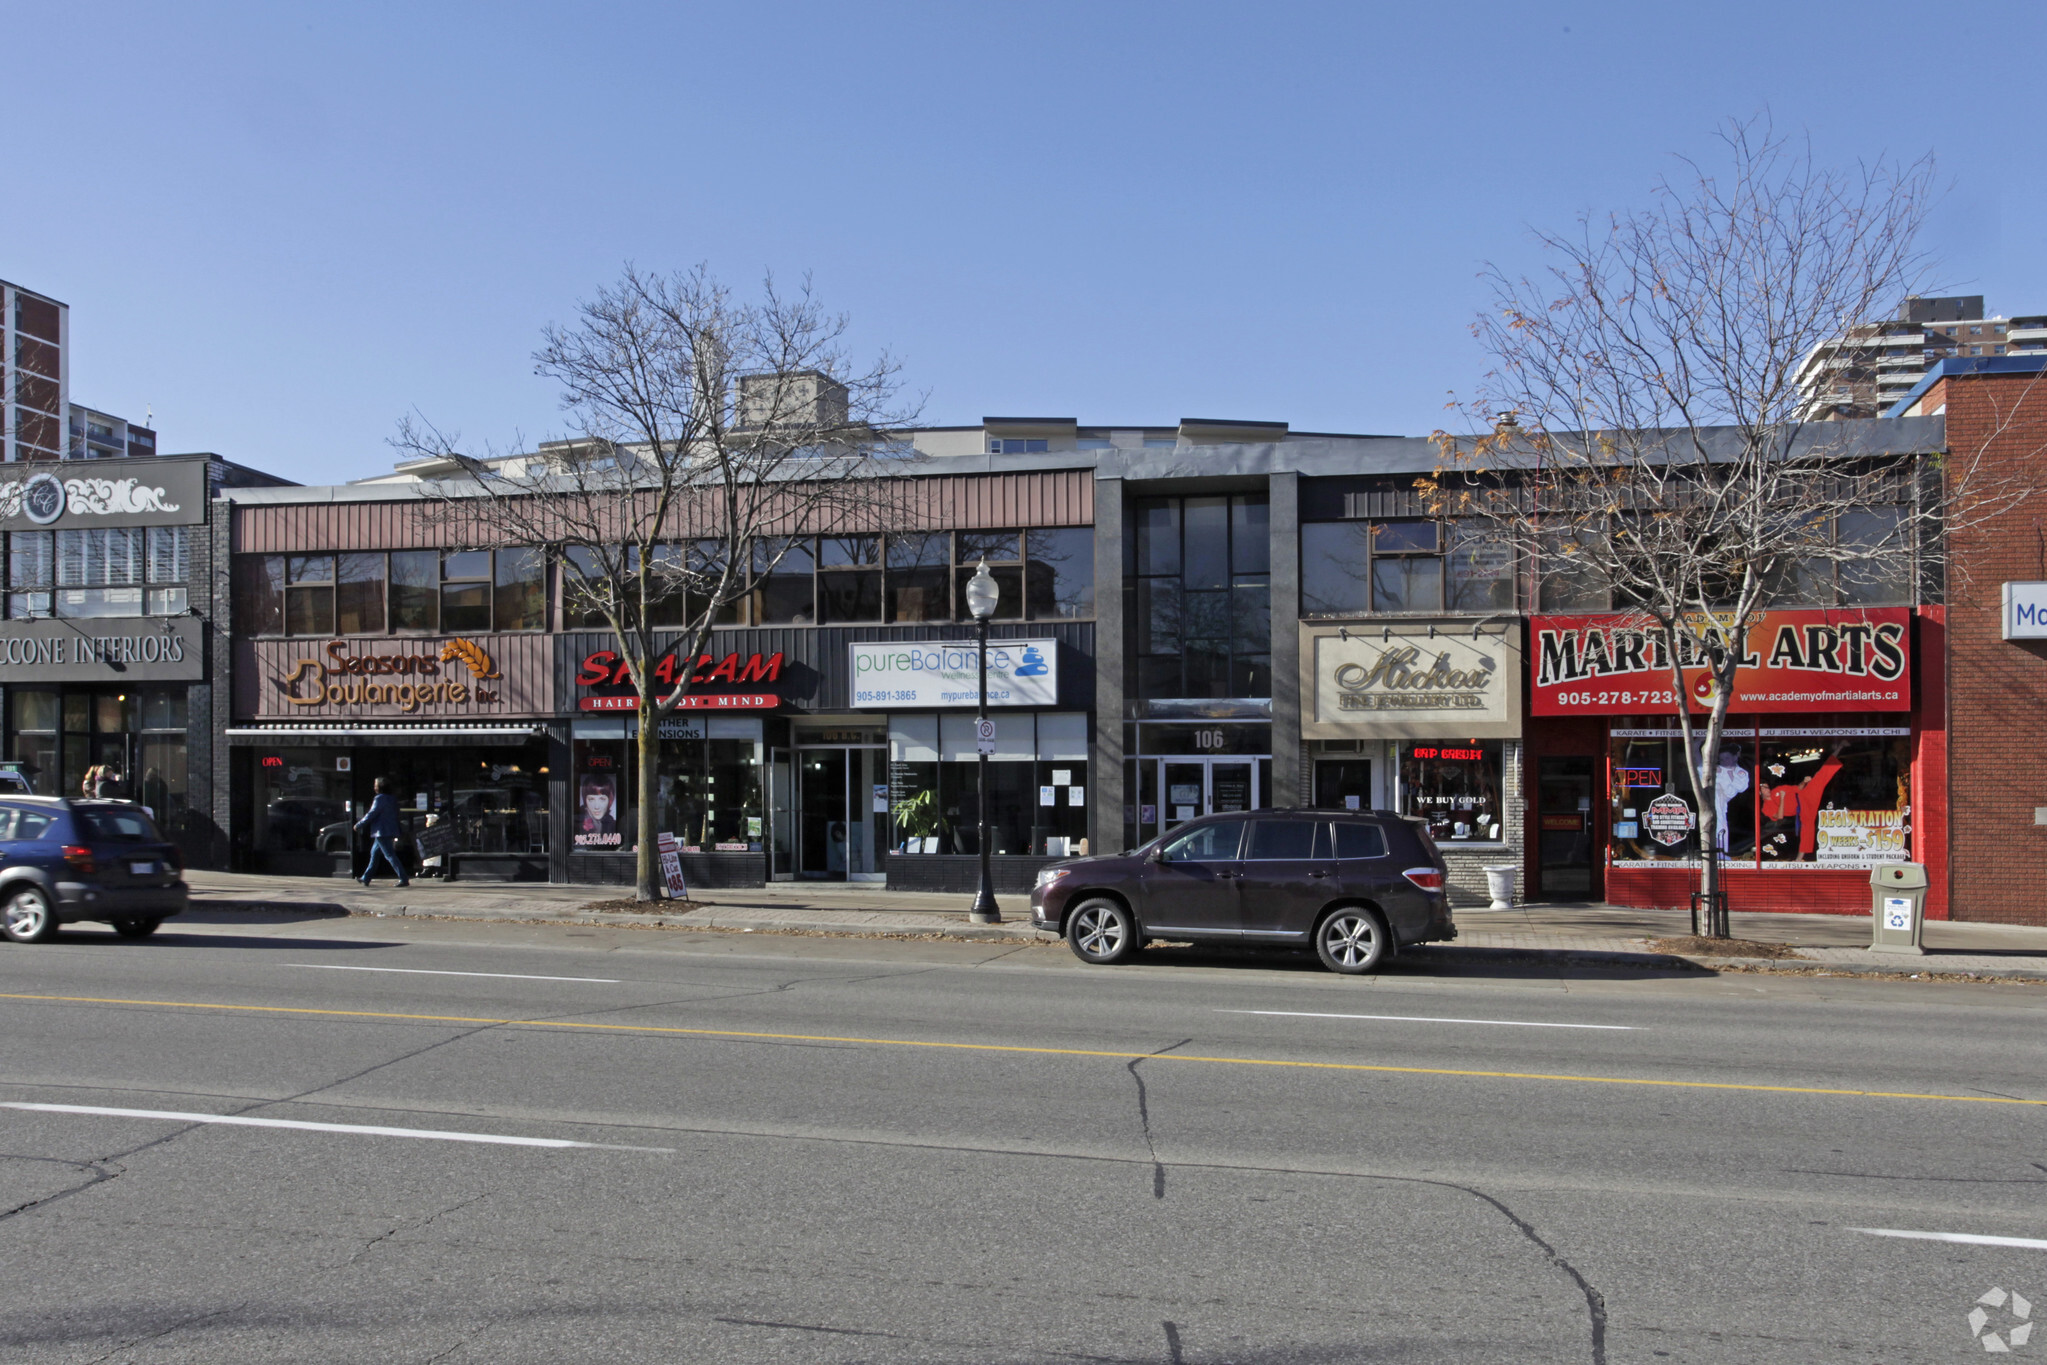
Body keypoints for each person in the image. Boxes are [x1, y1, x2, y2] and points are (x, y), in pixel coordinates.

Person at [354, 777, 409, 887]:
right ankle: (366, 878)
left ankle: (403, 878)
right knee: (374, 854)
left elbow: (372, 813)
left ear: (379, 787)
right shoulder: (392, 799)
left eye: (375, 785)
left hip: (381, 831)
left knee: (390, 855)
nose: (374, 787)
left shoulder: (379, 799)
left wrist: (359, 824)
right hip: (388, 830)